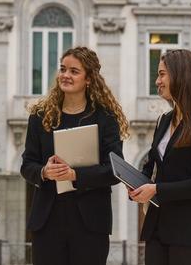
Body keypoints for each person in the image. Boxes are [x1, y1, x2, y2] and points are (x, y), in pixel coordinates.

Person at [21, 46, 129, 265]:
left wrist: (74, 174)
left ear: (88, 79)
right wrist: (44, 171)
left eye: (74, 71)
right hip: (47, 220)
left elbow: (114, 171)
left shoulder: (106, 118)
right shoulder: (40, 117)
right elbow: (27, 165)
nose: (65, 76)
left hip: (91, 222)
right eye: (63, 69)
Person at [128, 49, 191, 265]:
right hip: (157, 229)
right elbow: (151, 166)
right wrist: (134, 183)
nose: (157, 81)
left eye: (162, 74)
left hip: (190, 233)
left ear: (182, 75)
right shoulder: (164, 120)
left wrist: (157, 190)